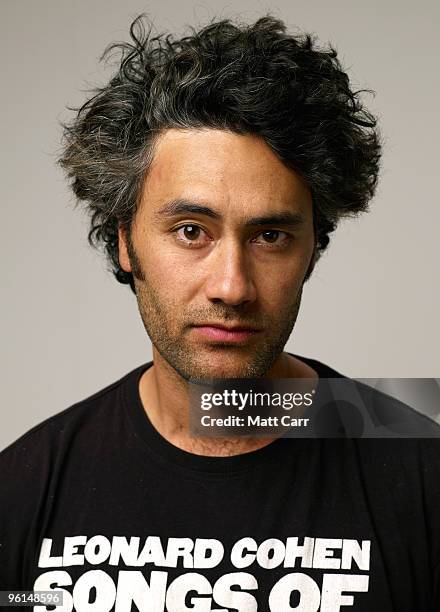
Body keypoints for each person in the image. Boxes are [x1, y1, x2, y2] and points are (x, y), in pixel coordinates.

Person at [1, 13, 439, 611]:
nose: (232, 287)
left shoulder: (419, 471)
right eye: (190, 230)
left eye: (270, 236)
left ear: (315, 246)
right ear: (126, 240)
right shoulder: (26, 486)